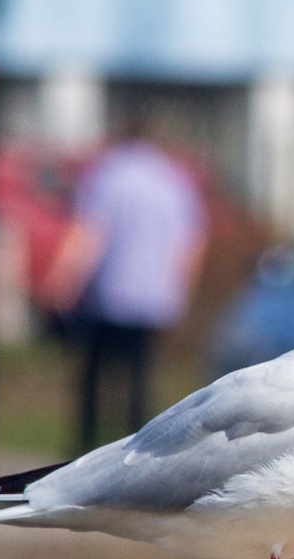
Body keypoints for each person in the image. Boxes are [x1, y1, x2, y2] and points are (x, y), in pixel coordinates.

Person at [40, 114, 207, 453]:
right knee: (140, 381)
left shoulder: (107, 175)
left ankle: (83, 451)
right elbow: (189, 244)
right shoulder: (173, 180)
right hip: (154, 297)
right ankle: (138, 451)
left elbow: (89, 235)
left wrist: (62, 284)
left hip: (110, 295)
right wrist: (180, 293)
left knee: (93, 379)